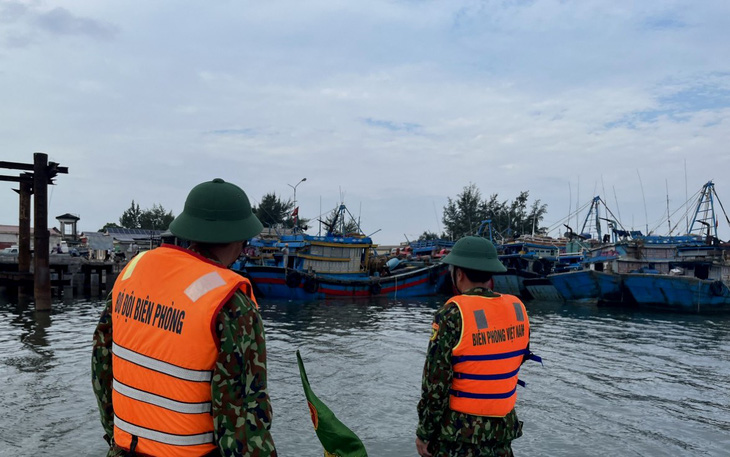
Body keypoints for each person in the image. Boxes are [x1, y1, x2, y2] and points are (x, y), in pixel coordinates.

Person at [92, 178, 277, 456]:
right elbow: (242, 411)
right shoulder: (231, 302)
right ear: (242, 239)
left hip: (124, 449)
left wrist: (115, 436)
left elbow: (101, 363)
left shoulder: (134, 271)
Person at [416, 236, 538, 457]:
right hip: (502, 432)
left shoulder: (452, 314)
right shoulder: (518, 309)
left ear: (459, 274)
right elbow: (517, 357)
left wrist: (425, 432)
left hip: (458, 436)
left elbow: (435, 383)